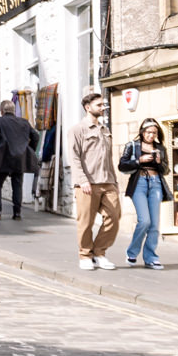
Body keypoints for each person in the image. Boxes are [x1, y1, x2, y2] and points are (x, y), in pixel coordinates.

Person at [69, 91, 121, 270]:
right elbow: (74, 157)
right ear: (88, 107)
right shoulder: (78, 130)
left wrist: (114, 182)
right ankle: (85, 255)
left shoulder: (105, 130)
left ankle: (99, 253)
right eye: (99, 105)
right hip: (87, 183)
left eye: (103, 104)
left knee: (114, 217)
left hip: (107, 182)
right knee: (86, 222)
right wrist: (82, 180)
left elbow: (108, 158)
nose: (103, 107)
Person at [119, 118, 170, 270]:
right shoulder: (132, 146)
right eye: (148, 132)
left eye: (154, 132)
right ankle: (132, 252)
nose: (151, 135)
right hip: (139, 183)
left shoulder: (160, 148)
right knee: (145, 221)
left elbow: (166, 170)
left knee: (154, 224)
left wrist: (160, 162)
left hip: (156, 184)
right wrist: (138, 160)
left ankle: (151, 258)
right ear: (142, 132)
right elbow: (122, 165)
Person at [0, 99, 37, 221]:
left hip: (3, 156)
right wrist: (29, 150)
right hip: (20, 158)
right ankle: (17, 213)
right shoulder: (24, 122)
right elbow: (35, 136)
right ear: (14, 111)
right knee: (17, 185)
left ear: (2, 111)